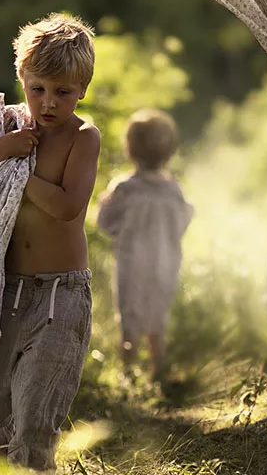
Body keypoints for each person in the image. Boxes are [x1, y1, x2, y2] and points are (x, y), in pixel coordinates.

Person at [0, 13, 100, 473]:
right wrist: (2, 151)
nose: (48, 102)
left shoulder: (83, 137)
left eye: (63, 92)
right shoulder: (10, 132)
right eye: (38, 88)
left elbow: (66, 206)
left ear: (82, 91)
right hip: (5, 293)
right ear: (23, 80)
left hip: (60, 296)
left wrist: (20, 173)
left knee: (36, 411)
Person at [97, 109, 194, 384]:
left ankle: (128, 375)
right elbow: (184, 221)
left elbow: (105, 223)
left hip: (132, 264)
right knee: (158, 316)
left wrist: (106, 205)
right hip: (166, 264)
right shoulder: (173, 190)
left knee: (130, 316)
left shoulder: (125, 189)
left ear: (130, 149)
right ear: (169, 151)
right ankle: (158, 372)